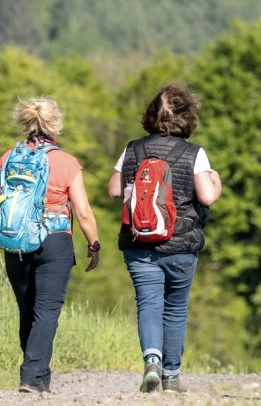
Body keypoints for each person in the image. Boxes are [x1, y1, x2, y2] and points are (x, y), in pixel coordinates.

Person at [0, 96, 102, 394]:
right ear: (55, 124)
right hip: (54, 242)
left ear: (25, 122)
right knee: (46, 311)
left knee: (27, 309)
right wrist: (93, 243)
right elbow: (83, 212)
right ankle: (31, 377)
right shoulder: (67, 162)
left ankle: (39, 378)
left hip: (15, 240)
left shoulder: (8, 157)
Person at [106, 85, 222, 394]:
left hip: (139, 242)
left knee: (148, 303)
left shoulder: (133, 149)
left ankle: (152, 361)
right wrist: (216, 181)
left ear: (149, 115)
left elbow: (114, 190)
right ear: (186, 117)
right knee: (175, 308)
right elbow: (207, 196)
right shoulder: (194, 153)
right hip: (181, 245)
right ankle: (171, 377)